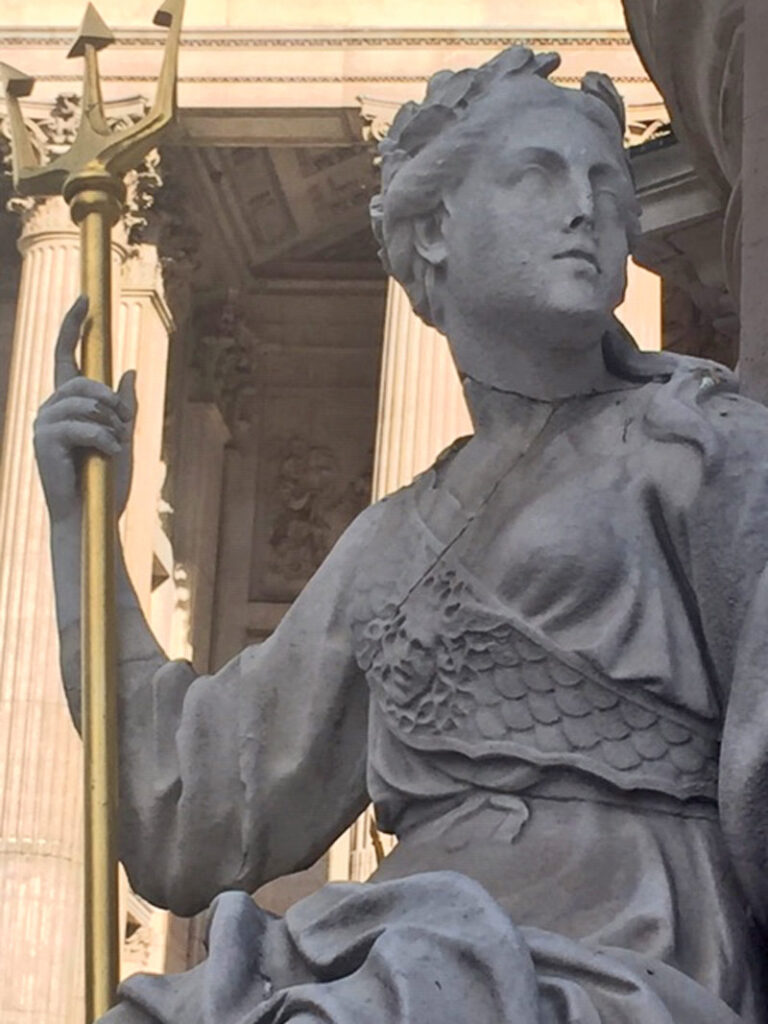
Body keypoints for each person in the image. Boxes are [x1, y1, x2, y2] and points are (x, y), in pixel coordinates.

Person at [34, 46, 768, 1023]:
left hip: (624, 948)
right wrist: (82, 529)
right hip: (409, 948)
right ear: (434, 234)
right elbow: (194, 810)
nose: (587, 209)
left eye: (603, 180)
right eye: (535, 176)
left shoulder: (705, 445)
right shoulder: (391, 544)